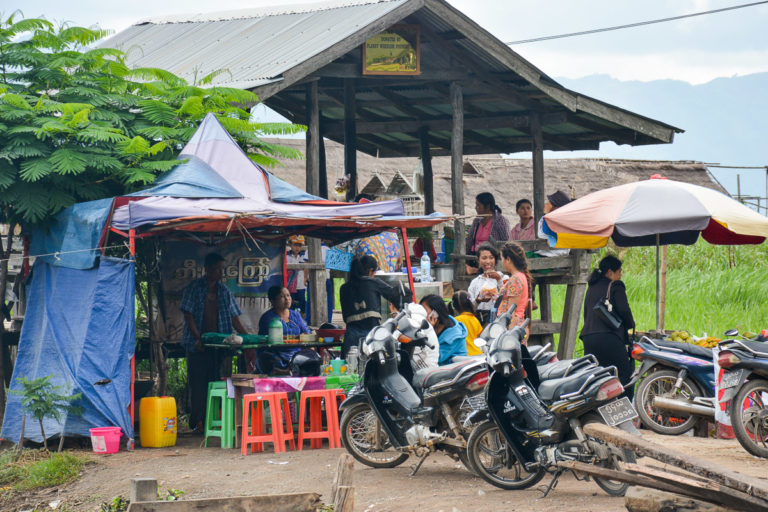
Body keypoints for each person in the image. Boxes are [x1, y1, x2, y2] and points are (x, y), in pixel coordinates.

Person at [181, 252, 248, 433]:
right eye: (217, 269)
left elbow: (235, 318)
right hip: (197, 346)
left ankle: (216, 420)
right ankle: (197, 423)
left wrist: (247, 338)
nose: (220, 272)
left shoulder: (224, 291)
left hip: (220, 347)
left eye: (222, 269)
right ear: (207, 269)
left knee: (218, 382)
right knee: (198, 386)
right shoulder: (194, 288)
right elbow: (188, 315)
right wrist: (198, 338)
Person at [580, 255, 636, 400]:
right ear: (610, 272)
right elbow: (624, 309)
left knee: (599, 376)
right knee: (625, 373)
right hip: (608, 337)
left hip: (589, 338)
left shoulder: (591, 287)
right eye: (619, 272)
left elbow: (586, 313)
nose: (620, 275)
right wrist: (631, 324)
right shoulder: (615, 286)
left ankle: (601, 408)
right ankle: (625, 408)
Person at [340, 255, 411, 358]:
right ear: (370, 271)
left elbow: (345, 316)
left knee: (350, 365)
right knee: (372, 365)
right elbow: (393, 294)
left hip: (351, 334)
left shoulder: (344, 288)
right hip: (371, 333)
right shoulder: (373, 282)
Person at [250, 285, 312, 374]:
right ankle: (285, 370)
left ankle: (286, 370)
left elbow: (307, 333)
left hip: (295, 355)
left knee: (311, 357)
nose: (287, 299)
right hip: (276, 353)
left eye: (288, 295)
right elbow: (266, 340)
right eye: (282, 297)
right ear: (272, 301)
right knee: (268, 357)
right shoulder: (267, 318)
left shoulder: (296, 315)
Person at [496, 242, 532, 341]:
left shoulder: (515, 280)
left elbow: (511, 310)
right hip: (517, 325)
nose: (502, 262)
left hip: (513, 326)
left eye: (502, 258)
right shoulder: (520, 276)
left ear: (508, 259)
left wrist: (510, 336)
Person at [420, 294, 468, 365]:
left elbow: (434, 357)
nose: (422, 313)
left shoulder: (453, 337)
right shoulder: (439, 325)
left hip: (452, 372)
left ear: (435, 313)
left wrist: (429, 330)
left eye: (424, 310)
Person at [467, 243, 508, 325]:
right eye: (484, 258)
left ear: (495, 260)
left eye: (491, 258)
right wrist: (477, 300)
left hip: (499, 322)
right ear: (478, 260)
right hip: (479, 322)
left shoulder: (504, 278)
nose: (488, 261)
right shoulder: (475, 282)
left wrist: (499, 280)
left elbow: (509, 297)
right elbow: (469, 308)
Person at [537, 190, 571, 257]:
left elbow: (541, 234)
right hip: (560, 255)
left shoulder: (553, 219)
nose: (548, 204)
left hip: (550, 256)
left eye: (550, 203)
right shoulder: (567, 220)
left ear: (556, 207)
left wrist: (546, 214)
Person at [450, 291, 484, 356]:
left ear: (454, 306)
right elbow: (480, 336)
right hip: (478, 353)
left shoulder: (455, 321)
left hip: (463, 356)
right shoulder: (474, 319)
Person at [285, 235, 308, 319]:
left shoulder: (303, 256)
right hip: (290, 284)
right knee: (291, 302)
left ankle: (303, 318)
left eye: (299, 245)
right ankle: (290, 318)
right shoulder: (286, 256)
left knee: (302, 301)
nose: (297, 248)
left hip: (301, 284)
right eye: (295, 245)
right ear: (290, 245)